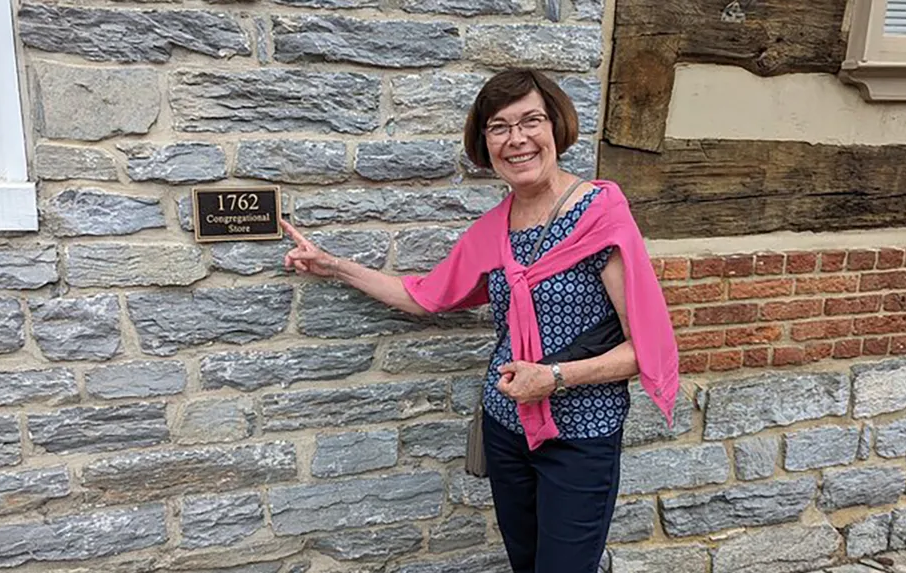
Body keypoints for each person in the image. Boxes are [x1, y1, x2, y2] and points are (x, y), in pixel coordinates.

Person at [282, 68, 678, 573]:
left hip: (580, 437)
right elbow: (423, 296)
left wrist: (555, 378)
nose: (517, 139)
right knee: (525, 564)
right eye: (499, 127)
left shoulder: (601, 214)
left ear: (556, 126)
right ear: (484, 142)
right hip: (506, 430)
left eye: (530, 121)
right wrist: (332, 265)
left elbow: (645, 347)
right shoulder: (493, 229)